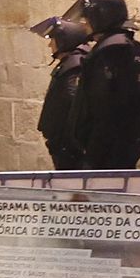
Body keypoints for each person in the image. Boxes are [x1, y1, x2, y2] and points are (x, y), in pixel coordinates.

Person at [64, 0, 140, 169]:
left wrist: (92, 145)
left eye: (87, 19)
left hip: (106, 148)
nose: (84, 25)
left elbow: (102, 105)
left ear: (100, 16)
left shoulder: (111, 50)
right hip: (121, 143)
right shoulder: (130, 45)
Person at [31, 12, 91, 170]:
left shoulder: (75, 66)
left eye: (53, 39)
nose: (50, 45)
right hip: (63, 145)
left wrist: (68, 143)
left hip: (69, 148)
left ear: (65, 40)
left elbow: (74, 109)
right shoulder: (71, 64)